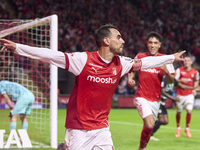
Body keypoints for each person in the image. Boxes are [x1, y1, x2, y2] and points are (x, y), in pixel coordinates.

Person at [0, 24, 185, 150]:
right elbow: (50, 55)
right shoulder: (83, 60)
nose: (123, 41)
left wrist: (171, 57)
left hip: (101, 128)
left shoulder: (121, 63)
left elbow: (145, 63)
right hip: (78, 129)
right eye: (118, 37)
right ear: (106, 41)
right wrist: (18, 47)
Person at [128, 31, 177, 150]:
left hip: (155, 100)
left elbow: (171, 81)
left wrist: (166, 70)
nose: (153, 45)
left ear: (160, 45)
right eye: (150, 42)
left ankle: (142, 148)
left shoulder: (165, 59)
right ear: (147, 44)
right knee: (150, 124)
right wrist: (130, 78)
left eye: (155, 43)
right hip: (141, 96)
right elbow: (132, 69)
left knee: (148, 128)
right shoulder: (140, 56)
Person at [150, 65, 198, 141]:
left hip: (162, 103)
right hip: (157, 101)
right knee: (162, 120)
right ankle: (150, 134)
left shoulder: (173, 80)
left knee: (165, 121)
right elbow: (162, 92)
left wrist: (193, 88)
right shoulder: (164, 79)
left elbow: (181, 86)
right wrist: (174, 98)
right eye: (172, 72)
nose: (174, 73)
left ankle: (151, 127)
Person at [175, 56, 199, 138]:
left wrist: (194, 89)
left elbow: (197, 80)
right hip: (180, 94)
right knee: (179, 111)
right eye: (185, 60)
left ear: (191, 62)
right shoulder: (179, 70)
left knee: (189, 111)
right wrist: (181, 80)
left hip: (189, 94)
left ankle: (187, 128)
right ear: (183, 62)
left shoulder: (195, 72)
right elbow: (174, 80)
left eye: (188, 60)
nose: (186, 62)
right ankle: (178, 128)